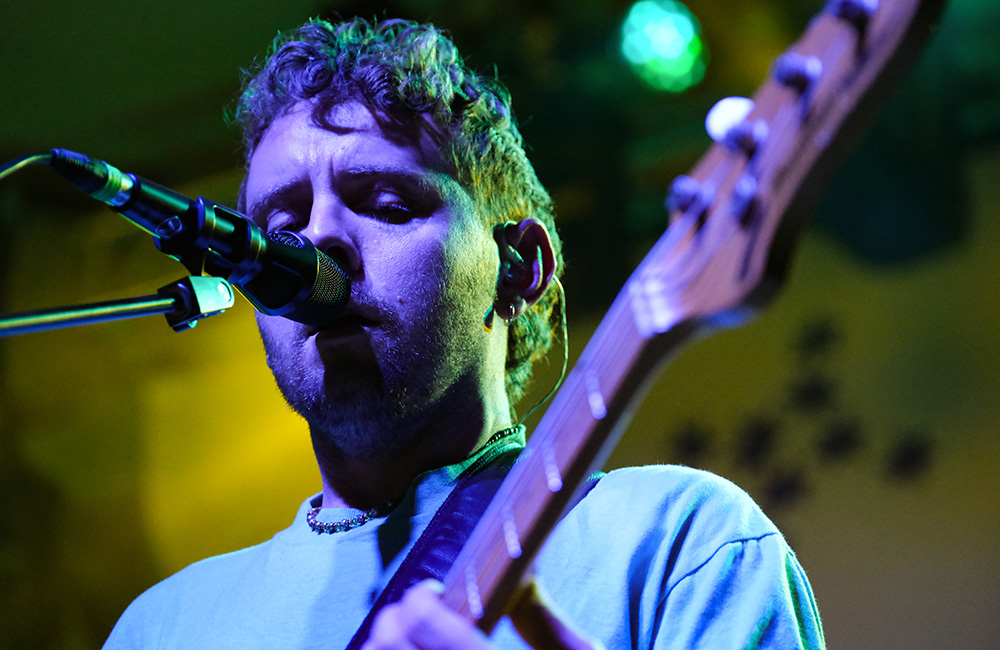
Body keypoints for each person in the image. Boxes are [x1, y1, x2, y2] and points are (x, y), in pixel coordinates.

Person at [102, 17, 825, 650]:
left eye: (385, 203)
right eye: (282, 230)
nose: (318, 240)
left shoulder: (677, 541)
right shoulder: (161, 627)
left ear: (518, 268)